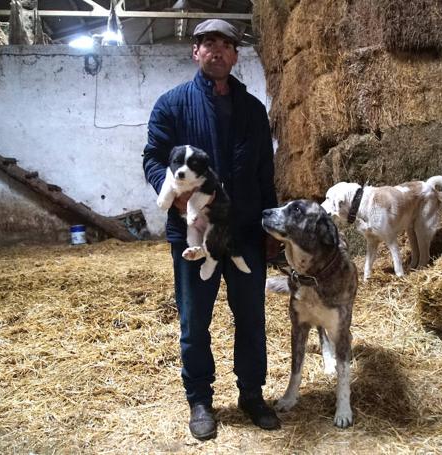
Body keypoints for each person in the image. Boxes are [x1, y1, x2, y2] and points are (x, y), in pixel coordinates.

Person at [142, 19, 281, 440]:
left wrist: (270, 226)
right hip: (195, 233)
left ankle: (252, 394)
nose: (217, 51)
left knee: (251, 317)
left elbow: (264, 171)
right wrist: (181, 200)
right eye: (208, 44)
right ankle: (200, 399)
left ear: (236, 55)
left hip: (242, 231)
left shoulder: (254, 109)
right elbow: (152, 159)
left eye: (226, 44)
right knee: (194, 320)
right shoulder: (172, 104)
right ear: (195, 52)